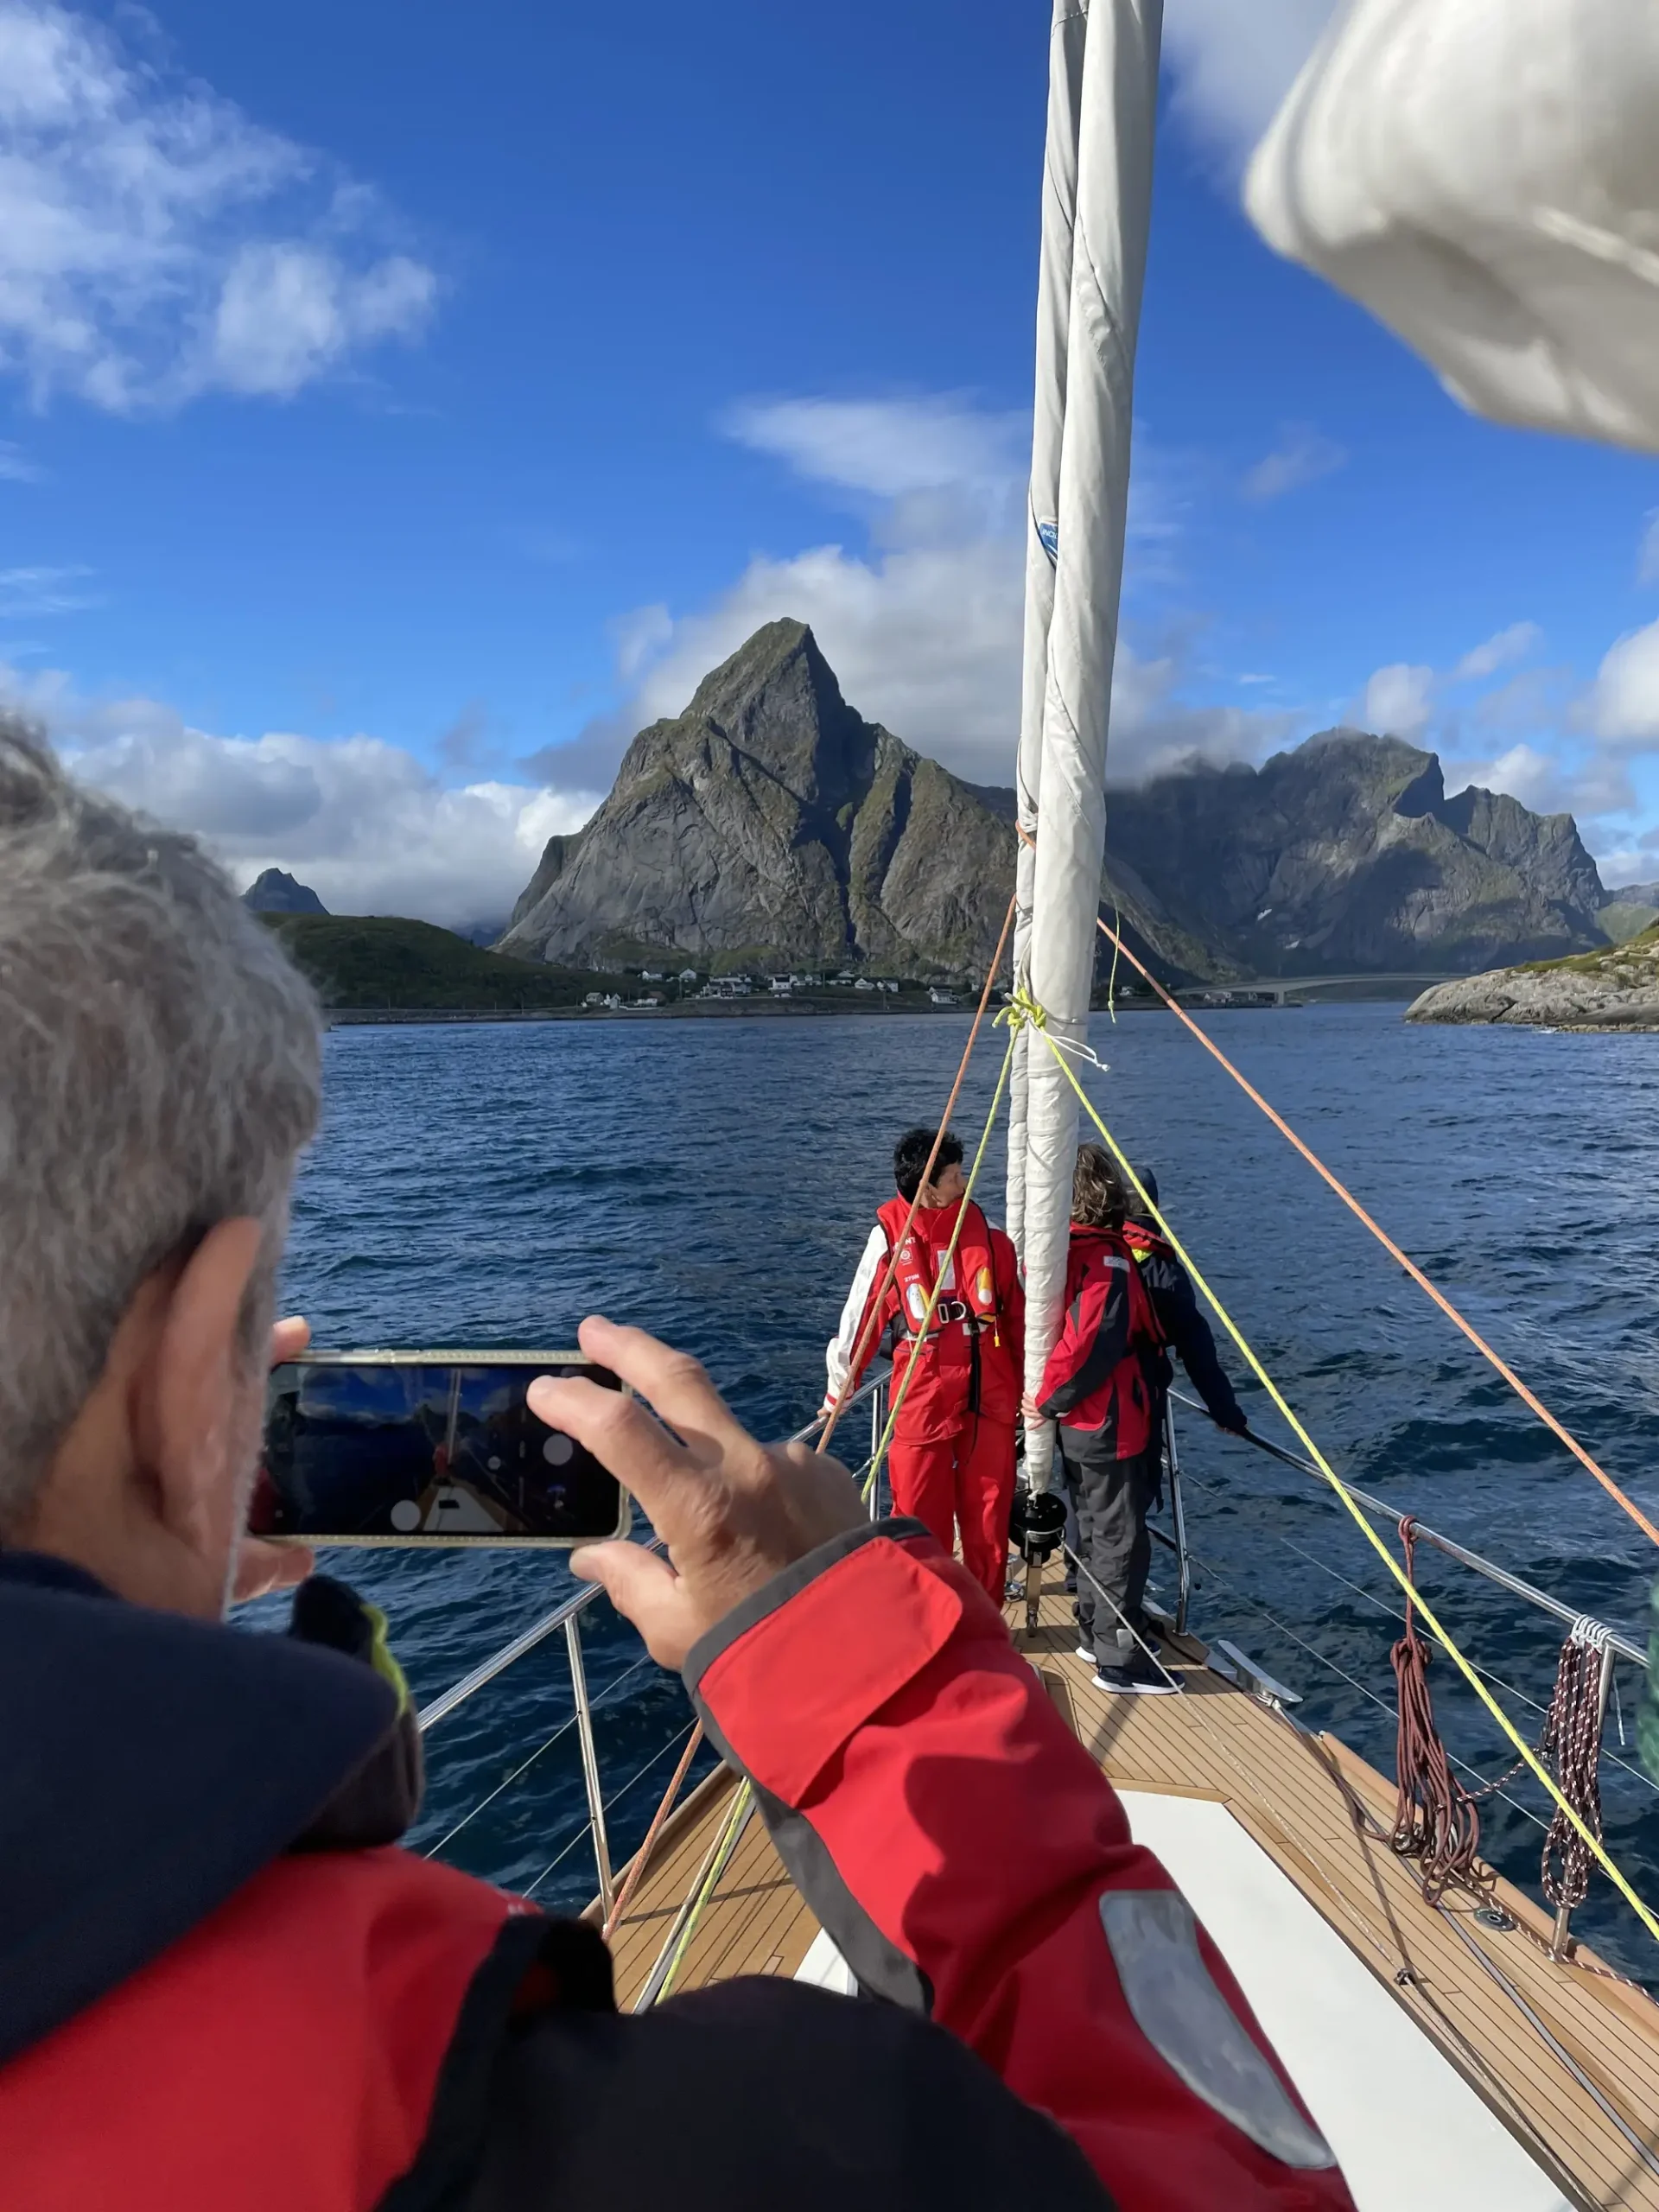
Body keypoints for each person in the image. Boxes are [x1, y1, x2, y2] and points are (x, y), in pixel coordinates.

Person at [0, 722, 1353, 2212]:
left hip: (977, 1424)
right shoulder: (662, 2134)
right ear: (203, 1376)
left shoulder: (981, 1248)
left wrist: (142, 1554)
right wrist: (875, 1676)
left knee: (966, 1532)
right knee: (936, 1549)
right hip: (920, 1440)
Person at [1034, 1148, 1247, 1695]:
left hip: (1080, 1422)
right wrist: (1227, 1412)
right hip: (1116, 1417)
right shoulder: (1134, 1263)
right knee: (1122, 1534)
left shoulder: (1070, 1252)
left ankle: (1096, 1624)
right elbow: (1190, 1345)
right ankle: (1119, 1655)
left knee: (1089, 1518)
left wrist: (1049, 1402)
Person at [823, 1127, 1023, 1602]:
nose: (964, 1183)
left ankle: (986, 1616)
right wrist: (838, 1393)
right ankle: (928, 1619)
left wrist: (1028, 1391)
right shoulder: (889, 1239)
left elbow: (1015, 1316)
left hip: (986, 1391)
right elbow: (862, 1319)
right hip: (923, 1393)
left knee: (988, 1515)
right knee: (917, 1514)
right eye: (954, 1176)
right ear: (927, 1187)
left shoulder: (989, 1235)